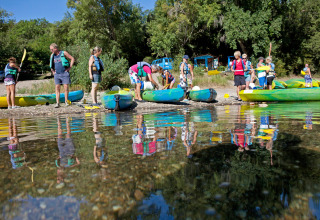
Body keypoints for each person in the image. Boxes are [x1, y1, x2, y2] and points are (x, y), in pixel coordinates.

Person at [49, 43, 75, 108]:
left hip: (64, 73)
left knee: (66, 87)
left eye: (52, 49)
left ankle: (66, 101)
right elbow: (51, 65)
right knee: (57, 88)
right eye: (50, 49)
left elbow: (72, 58)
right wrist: (53, 71)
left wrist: (70, 67)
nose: (51, 51)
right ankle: (58, 103)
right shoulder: (52, 55)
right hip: (57, 74)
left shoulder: (64, 53)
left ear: (56, 48)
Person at [56, 117, 80, 183]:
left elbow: (58, 162)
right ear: (62, 179)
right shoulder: (67, 171)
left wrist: (58, 158)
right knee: (68, 134)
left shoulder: (58, 170)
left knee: (59, 135)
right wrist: (76, 158)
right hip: (70, 151)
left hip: (61, 152)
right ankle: (67, 120)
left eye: (57, 179)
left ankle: (58, 121)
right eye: (59, 179)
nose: (58, 178)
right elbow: (77, 164)